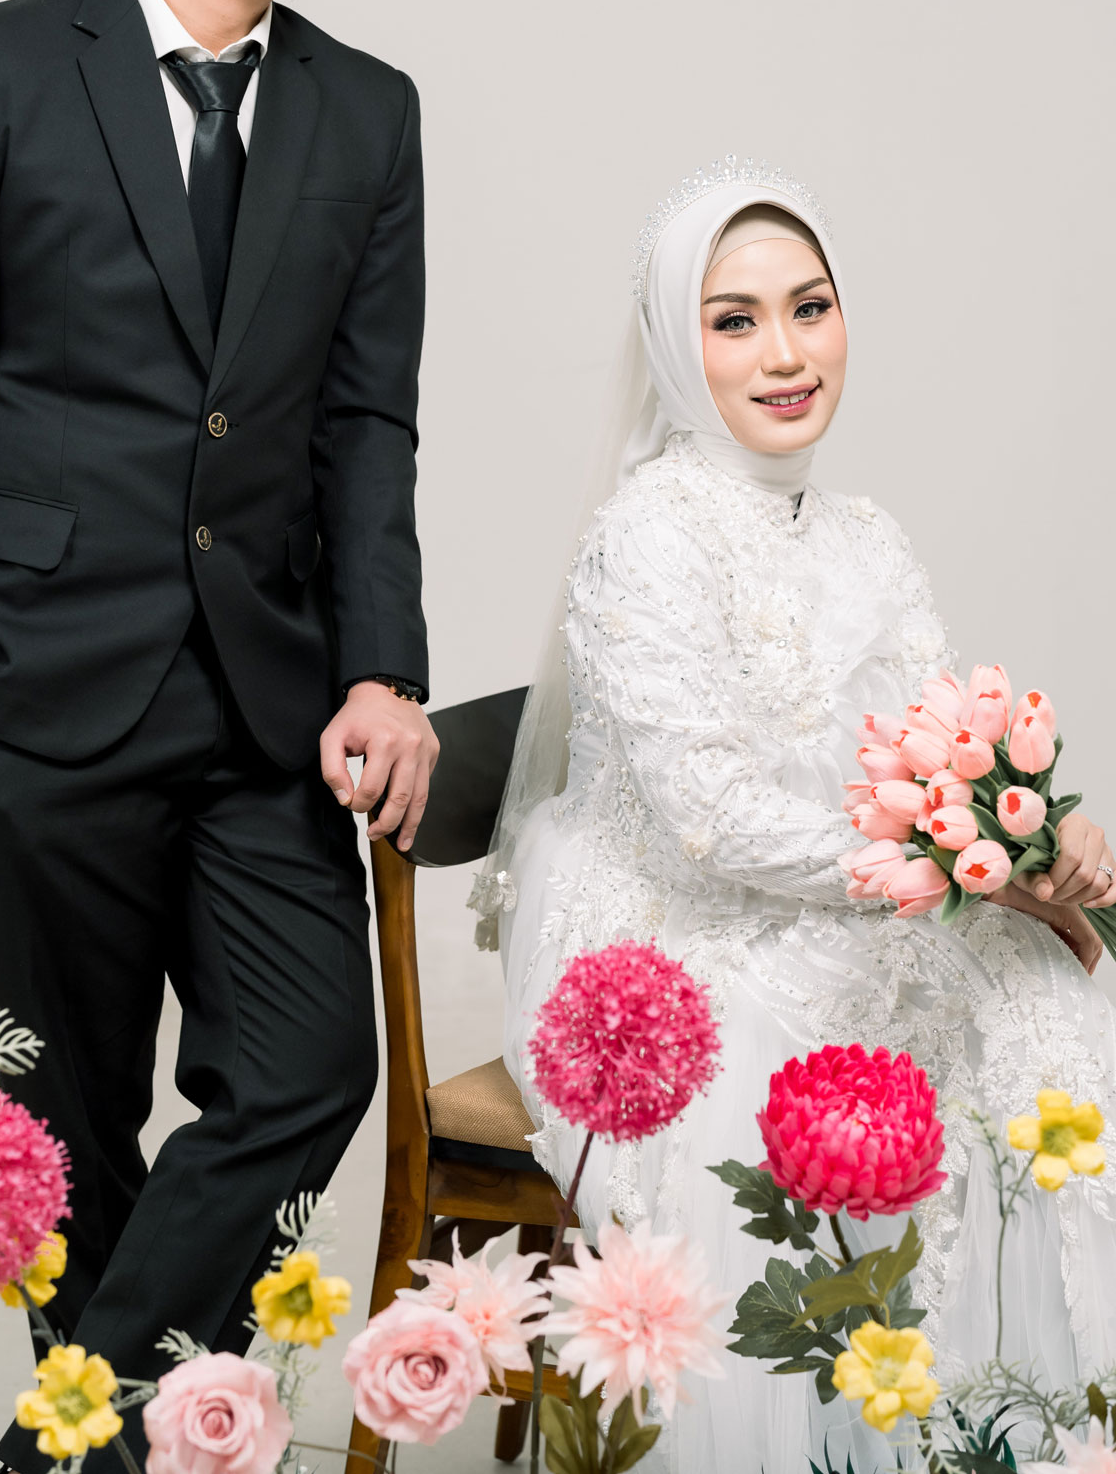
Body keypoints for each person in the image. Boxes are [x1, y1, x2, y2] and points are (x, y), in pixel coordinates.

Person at [0, 0, 439, 1473]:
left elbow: (367, 425)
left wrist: (382, 668)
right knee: (72, 1143)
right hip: (29, 700)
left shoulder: (368, 114)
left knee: (308, 1069)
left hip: (269, 705)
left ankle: (55, 1453)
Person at [476, 156, 1116, 1473]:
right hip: (663, 932)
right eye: (735, 320)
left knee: (1038, 1010)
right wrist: (960, 869)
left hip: (840, 886)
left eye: (809, 308)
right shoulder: (650, 532)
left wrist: (1029, 835)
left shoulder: (863, 532)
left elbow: (937, 745)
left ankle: (1009, 1431)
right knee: (825, 1070)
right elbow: (710, 820)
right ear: (677, 343)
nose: (785, 353)